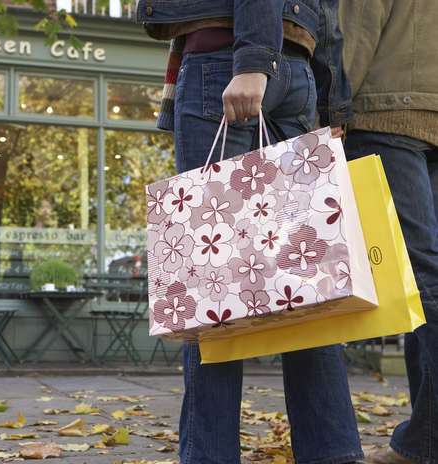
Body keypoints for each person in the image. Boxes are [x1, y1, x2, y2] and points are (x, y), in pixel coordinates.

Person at [137, 1, 363, 463]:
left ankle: (210, 456)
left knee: (211, 285)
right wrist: (331, 103)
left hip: (231, 60)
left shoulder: (244, 60)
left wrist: (254, 62)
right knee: (309, 282)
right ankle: (333, 453)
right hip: (296, 70)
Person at [340, 1, 438, 461]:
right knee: (425, 285)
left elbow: (357, 27)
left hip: (383, 113)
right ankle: (422, 441)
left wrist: (328, 110)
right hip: (428, 112)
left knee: (424, 282)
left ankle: (422, 440)